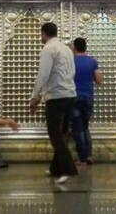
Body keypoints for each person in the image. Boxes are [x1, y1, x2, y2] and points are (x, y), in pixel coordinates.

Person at [29, 22, 78, 184]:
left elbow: (43, 75)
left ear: (44, 33)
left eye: (41, 34)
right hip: (70, 95)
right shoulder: (67, 49)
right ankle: (55, 169)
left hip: (56, 97)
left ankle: (67, 169)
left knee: (55, 135)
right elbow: (72, 72)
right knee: (62, 134)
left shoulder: (48, 49)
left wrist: (35, 97)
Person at [71, 37, 102, 165]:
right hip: (88, 98)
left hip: (74, 98)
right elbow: (99, 81)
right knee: (85, 127)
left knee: (78, 129)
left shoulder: (71, 62)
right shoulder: (92, 62)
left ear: (74, 47)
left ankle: (82, 158)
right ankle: (89, 155)